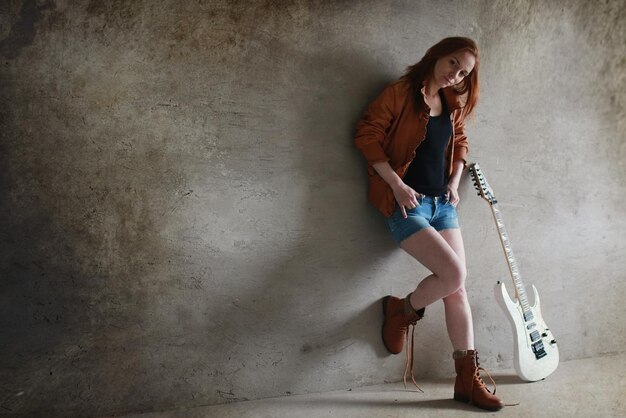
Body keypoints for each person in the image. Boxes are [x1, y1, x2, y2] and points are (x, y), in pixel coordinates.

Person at [354, 37, 504, 411]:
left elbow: (462, 143)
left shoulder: (452, 103)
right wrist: (397, 185)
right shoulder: (400, 94)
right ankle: (400, 311)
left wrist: (454, 184)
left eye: (463, 72)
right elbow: (366, 135)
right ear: (437, 54)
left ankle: (465, 381)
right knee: (455, 275)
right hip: (407, 205)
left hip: (442, 206)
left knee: (457, 288)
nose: (455, 75)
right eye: (452, 63)